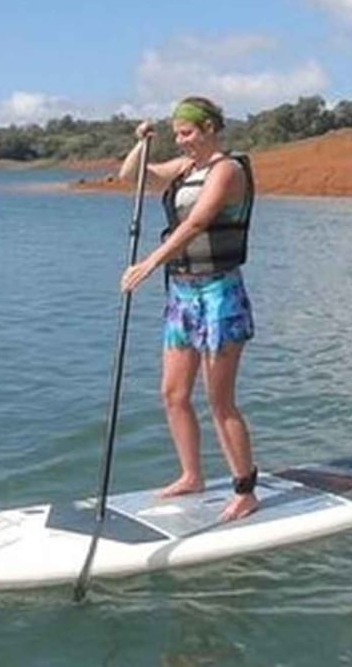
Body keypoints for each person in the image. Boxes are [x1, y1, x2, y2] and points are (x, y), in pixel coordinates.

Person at [118, 97, 260, 522]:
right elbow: (133, 176)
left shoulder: (227, 170)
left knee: (219, 400)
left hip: (220, 294)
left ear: (211, 128)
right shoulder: (185, 169)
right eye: (177, 134)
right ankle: (191, 475)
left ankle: (245, 490)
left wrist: (147, 263)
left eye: (189, 133)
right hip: (182, 294)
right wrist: (143, 143)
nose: (182, 142)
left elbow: (197, 222)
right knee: (173, 393)